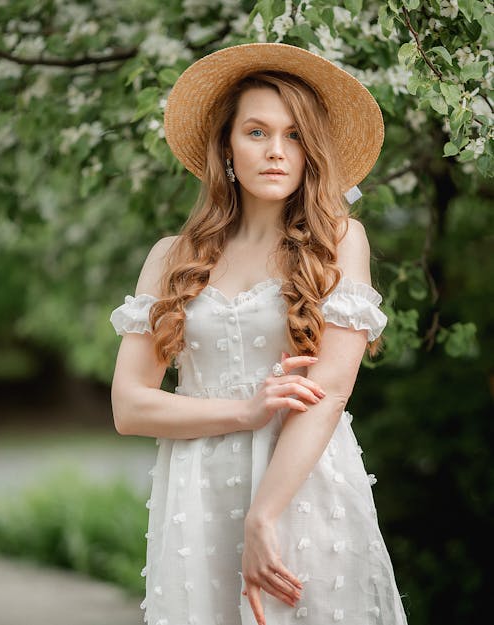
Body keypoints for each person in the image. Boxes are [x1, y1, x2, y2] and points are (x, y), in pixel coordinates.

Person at [110, 43, 408, 625]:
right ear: (226, 145)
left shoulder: (340, 241)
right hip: (196, 498)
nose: (276, 151)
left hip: (301, 485)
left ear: (312, 150)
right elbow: (129, 407)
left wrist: (263, 516)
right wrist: (245, 412)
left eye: (295, 135)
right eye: (256, 132)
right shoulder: (171, 257)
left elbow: (330, 393)